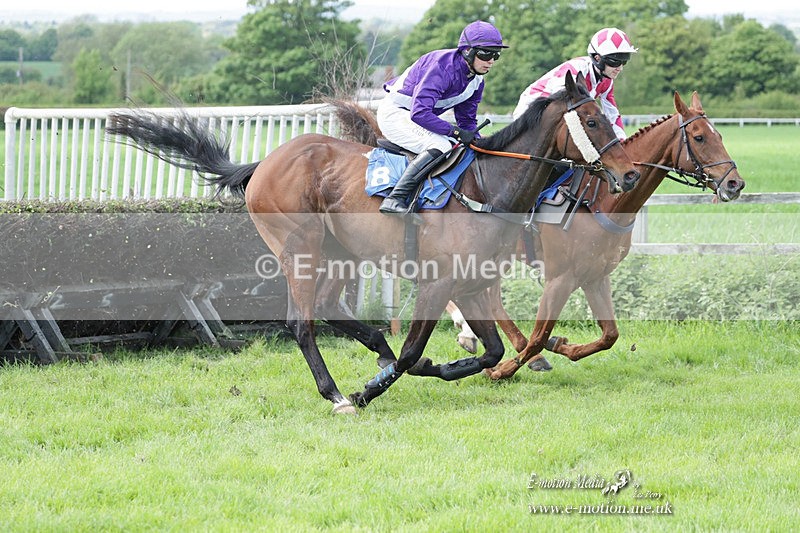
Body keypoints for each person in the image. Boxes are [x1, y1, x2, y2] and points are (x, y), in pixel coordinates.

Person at [377, 20, 508, 216]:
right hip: (396, 113)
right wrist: (455, 132)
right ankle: (394, 198)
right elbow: (420, 113)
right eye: (485, 53)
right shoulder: (441, 67)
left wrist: (480, 144)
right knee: (442, 145)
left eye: (495, 55)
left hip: (416, 116)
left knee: (466, 148)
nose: (491, 60)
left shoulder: (477, 81)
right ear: (467, 51)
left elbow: (467, 122)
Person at [512, 27, 637, 141]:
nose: (620, 68)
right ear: (597, 58)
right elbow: (562, 110)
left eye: (624, 62)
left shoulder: (607, 80)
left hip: (556, 113)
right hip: (531, 110)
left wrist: (623, 142)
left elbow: (612, 114)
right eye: (615, 62)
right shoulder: (576, 71)